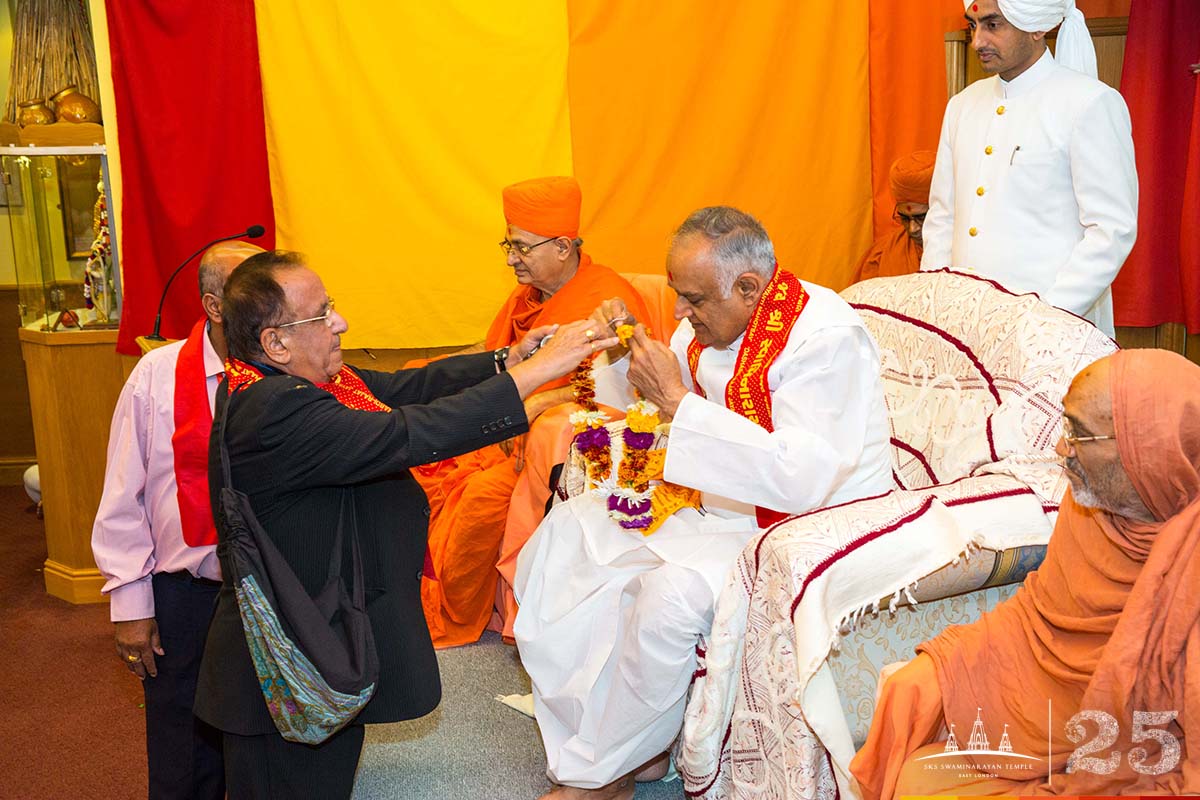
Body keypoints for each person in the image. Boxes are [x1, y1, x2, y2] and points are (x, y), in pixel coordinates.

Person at [192, 250, 614, 799]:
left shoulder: (307, 382)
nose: (339, 322)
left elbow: (406, 389)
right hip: (283, 673)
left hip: (322, 636)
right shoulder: (273, 409)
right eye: (321, 315)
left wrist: (506, 358)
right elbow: (407, 433)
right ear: (276, 343)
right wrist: (538, 373)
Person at [514, 206, 894, 800]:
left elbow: (804, 477)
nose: (681, 314)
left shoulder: (825, 341)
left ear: (749, 287)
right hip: (721, 507)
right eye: (675, 296)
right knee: (566, 539)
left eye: (692, 298)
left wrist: (676, 402)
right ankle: (630, 741)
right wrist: (623, 346)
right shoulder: (712, 320)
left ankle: (602, 776)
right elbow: (664, 394)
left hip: (803, 530)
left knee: (670, 599)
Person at [851, 348, 1200, 798]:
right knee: (916, 751)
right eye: (1065, 424)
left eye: (1080, 434)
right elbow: (1040, 619)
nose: (1060, 447)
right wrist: (951, 666)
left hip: (1150, 764)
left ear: (1146, 453)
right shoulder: (1091, 507)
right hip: (1059, 726)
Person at [418, 175, 651, 648]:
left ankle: (460, 605)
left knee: (481, 498)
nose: (509, 259)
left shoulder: (607, 299)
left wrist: (541, 400)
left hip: (544, 439)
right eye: (508, 244)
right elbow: (498, 352)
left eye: (521, 248)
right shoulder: (529, 298)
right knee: (416, 428)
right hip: (498, 422)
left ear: (563, 247)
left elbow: (626, 388)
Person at [91, 240, 264, 800]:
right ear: (214, 306)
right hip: (189, 596)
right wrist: (131, 606)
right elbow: (124, 497)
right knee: (185, 757)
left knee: (272, 749)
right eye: (255, 293)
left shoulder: (291, 367)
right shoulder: (156, 376)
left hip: (275, 592)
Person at [919, 0, 1137, 337]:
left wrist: (1046, 317)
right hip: (964, 326)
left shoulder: (1088, 102)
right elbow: (942, 216)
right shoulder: (962, 105)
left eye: (993, 25)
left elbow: (1111, 230)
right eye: (973, 26)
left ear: (1037, 27)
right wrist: (935, 306)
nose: (978, 41)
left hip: (1052, 328)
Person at [853, 151, 935, 282]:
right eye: (905, 218)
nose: (913, 229)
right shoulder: (881, 255)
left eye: (921, 217)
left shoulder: (966, 252)